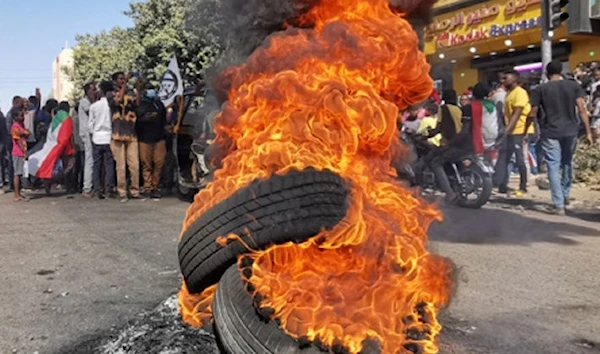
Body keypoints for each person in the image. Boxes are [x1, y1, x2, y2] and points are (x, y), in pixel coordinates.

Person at [529, 60, 594, 215]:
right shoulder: (573, 86)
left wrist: (528, 129)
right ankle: (564, 195)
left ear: (546, 73)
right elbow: (582, 109)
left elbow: (532, 113)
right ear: (562, 71)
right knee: (567, 163)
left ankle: (558, 205)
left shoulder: (540, 89)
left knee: (552, 165)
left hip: (550, 131)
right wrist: (588, 132)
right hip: (571, 130)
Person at [497, 70, 530, 198]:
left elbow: (517, 114)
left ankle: (523, 187)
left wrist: (506, 131)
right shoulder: (509, 94)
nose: (503, 80)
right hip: (511, 131)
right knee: (505, 159)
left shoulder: (520, 93)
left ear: (515, 78)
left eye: (506, 77)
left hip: (518, 131)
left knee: (520, 160)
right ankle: (502, 185)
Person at [110, 71, 143, 202]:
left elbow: (138, 104)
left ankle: (135, 191)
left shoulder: (129, 94)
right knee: (121, 166)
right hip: (117, 134)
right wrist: (126, 83)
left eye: (124, 79)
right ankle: (122, 191)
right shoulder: (110, 94)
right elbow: (118, 101)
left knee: (134, 165)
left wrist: (139, 88)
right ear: (115, 82)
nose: (123, 81)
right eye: (120, 79)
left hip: (131, 133)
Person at [136, 84, 167, 199]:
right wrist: (147, 118)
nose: (151, 91)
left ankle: (155, 186)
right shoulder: (141, 105)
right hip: (144, 139)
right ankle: (148, 187)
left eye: (152, 89)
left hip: (159, 138)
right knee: (146, 164)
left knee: (159, 163)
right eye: (149, 89)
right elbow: (137, 119)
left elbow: (164, 120)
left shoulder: (159, 105)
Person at [89, 81, 116, 200]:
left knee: (97, 165)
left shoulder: (94, 106)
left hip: (97, 137)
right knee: (109, 164)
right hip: (109, 136)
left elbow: (90, 125)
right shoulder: (111, 105)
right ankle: (109, 189)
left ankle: (97, 189)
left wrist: (94, 132)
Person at [77, 83, 97, 197]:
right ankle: (87, 187)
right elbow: (93, 111)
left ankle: (91, 185)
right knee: (89, 159)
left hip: (91, 132)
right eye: (92, 90)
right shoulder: (84, 102)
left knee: (92, 159)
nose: (94, 92)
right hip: (87, 133)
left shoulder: (88, 102)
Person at [10, 108, 30, 201]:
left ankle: (19, 193)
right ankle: (16, 194)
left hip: (21, 151)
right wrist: (24, 152)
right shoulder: (15, 127)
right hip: (18, 152)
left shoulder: (20, 126)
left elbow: (27, 133)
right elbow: (18, 141)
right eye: (21, 115)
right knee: (17, 174)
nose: (23, 117)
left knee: (20, 173)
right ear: (15, 117)